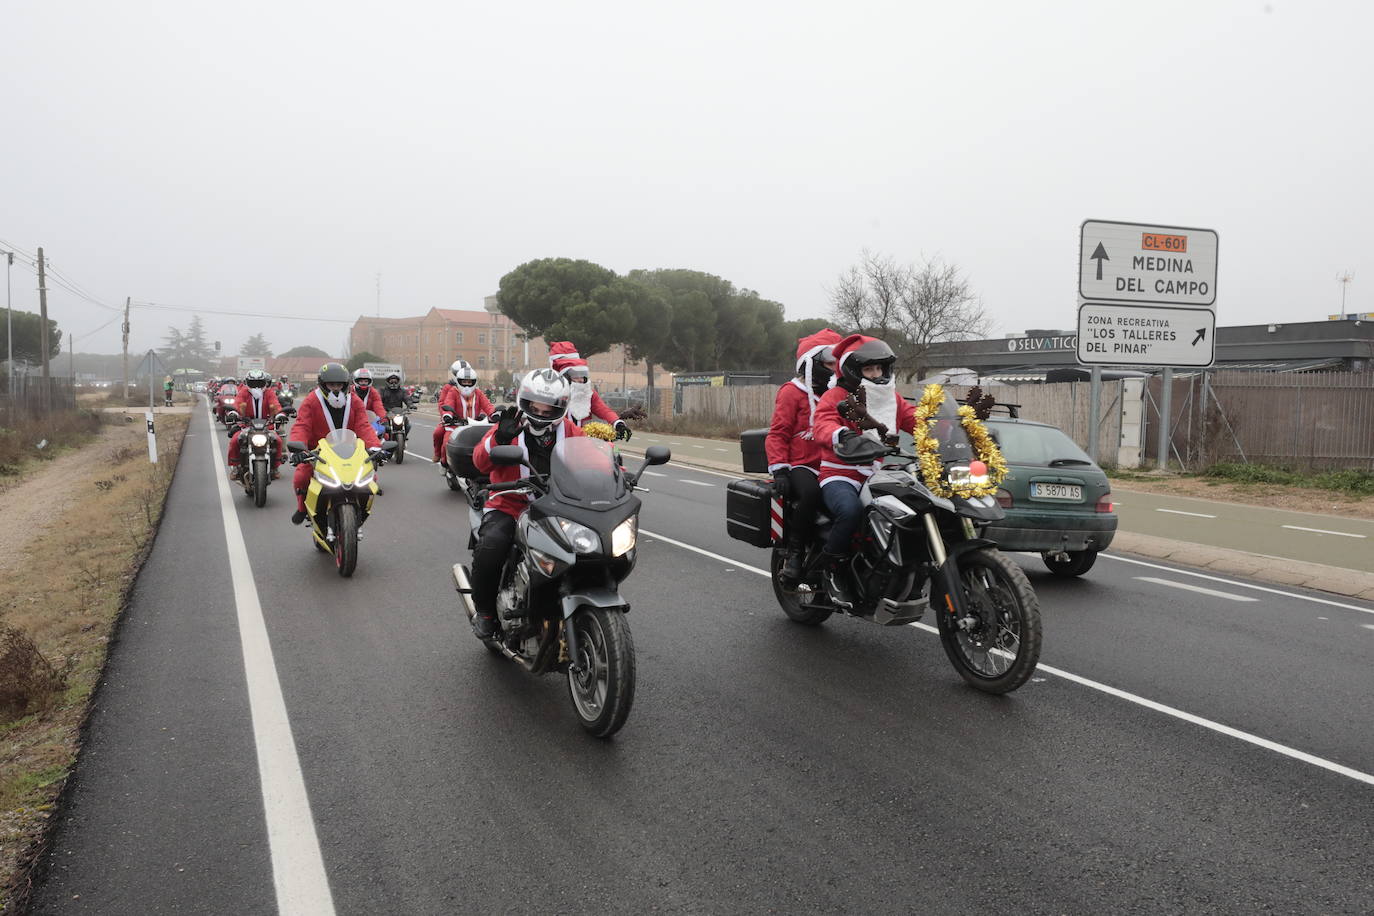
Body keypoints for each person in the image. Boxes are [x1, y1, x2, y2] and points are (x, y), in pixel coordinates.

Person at [468, 369, 585, 638]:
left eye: (550, 409)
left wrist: (615, 472)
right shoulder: (510, 425)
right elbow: (479, 461)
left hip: (557, 508)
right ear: (525, 402)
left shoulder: (570, 430)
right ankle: (485, 612)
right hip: (510, 504)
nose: (541, 415)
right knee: (492, 546)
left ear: (561, 408)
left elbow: (589, 459)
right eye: (535, 407)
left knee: (588, 550)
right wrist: (499, 438)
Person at [811, 334, 917, 607]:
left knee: (911, 511)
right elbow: (822, 424)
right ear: (853, 370)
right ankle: (832, 571)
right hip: (840, 474)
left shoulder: (890, 398)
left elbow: (914, 419)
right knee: (850, 512)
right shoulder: (835, 396)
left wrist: (947, 429)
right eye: (869, 368)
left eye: (880, 368)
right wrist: (841, 434)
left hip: (876, 475)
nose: (876, 373)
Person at [765, 329, 842, 581]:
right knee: (811, 493)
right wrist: (780, 469)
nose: (835, 367)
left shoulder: (840, 394)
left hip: (837, 464)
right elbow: (778, 433)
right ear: (812, 363)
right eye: (830, 362)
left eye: (839, 362)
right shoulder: (792, 391)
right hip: (803, 464)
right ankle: (794, 554)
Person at [287, 363, 384, 526]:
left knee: (370, 477)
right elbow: (301, 426)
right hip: (317, 452)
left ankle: (360, 512)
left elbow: (363, 426)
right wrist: (298, 448)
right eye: (331, 385)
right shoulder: (311, 400)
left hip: (349, 451)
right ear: (323, 385)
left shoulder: (355, 401)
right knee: (301, 477)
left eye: (339, 385)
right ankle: (302, 508)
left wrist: (375, 446)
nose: (336, 389)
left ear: (346, 385)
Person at [548, 341, 630, 439]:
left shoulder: (588, 393)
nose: (580, 380)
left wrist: (618, 423)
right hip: (556, 441)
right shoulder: (551, 392)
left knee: (612, 452)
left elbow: (604, 410)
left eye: (582, 376)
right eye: (576, 376)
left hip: (583, 442)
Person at [227, 369, 284, 480]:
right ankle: (235, 467)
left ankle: (275, 468)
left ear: (264, 383)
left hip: (266, 425)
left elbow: (276, 405)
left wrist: (279, 414)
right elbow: (237, 403)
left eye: (259, 383)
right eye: (253, 383)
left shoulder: (269, 392)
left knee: (278, 441)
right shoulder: (243, 392)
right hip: (246, 425)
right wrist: (233, 413)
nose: (256, 386)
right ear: (247, 382)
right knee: (234, 441)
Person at [433, 359, 493, 462]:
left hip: (475, 422)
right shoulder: (449, 389)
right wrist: (447, 415)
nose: (466, 382)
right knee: (439, 435)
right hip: (454, 421)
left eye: (469, 381)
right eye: (463, 380)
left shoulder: (477, 391)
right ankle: (440, 457)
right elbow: (444, 403)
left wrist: (489, 414)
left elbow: (486, 405)